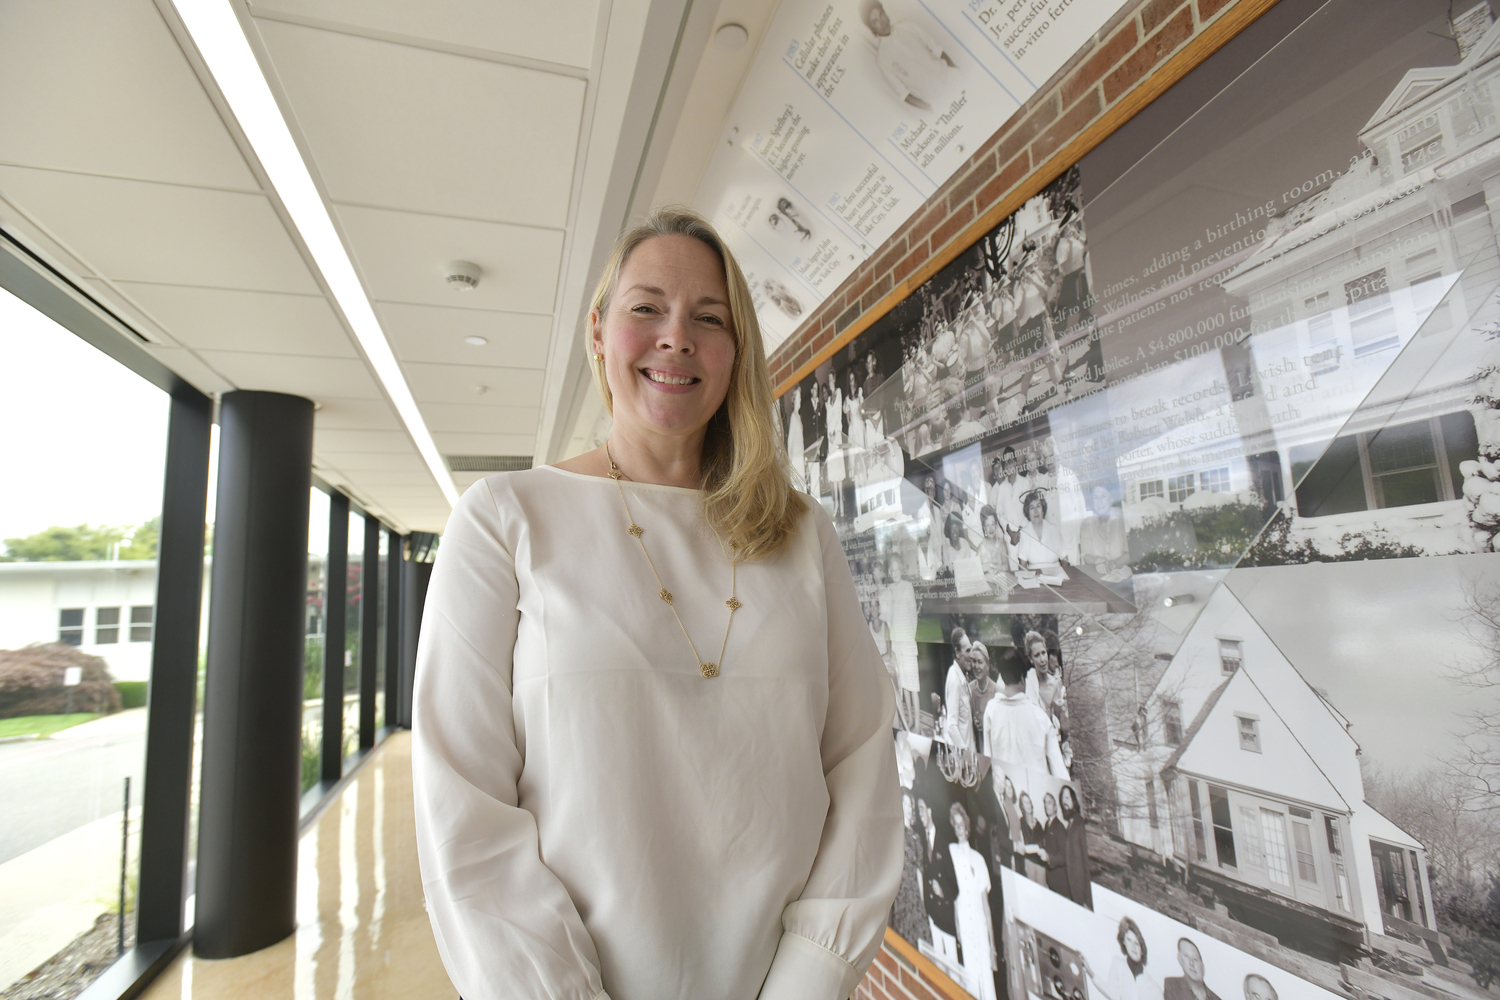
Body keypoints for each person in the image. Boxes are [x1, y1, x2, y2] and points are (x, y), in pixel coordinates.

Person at [412, 207, 903, 1000]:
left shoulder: (802, 534)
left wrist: (808, 982)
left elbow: (861, 769)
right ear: (598, 332)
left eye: (708, 318)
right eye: (647, 309)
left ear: (735, 353)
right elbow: (464, 814)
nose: (677, 336)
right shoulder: (504, 519)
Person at [981, 634, 1067, 776]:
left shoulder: (991, 711)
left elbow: (988, 761)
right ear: (1023, 678)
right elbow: (1060, 771)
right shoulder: (1041, 718)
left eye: (1043, 653)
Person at [860, 2, 958, 112]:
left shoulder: (907, 26)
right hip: (937, 100)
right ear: (872, 28)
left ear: (885, 12)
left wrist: (956, 70)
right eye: (875, 21)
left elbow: (937, 49)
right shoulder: (882, 59)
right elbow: (904, 94)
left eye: (881, 14)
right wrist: (932, 108)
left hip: (952, 78)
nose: (882, 22)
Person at [949, 802, 998, 1000]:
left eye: (963, 824)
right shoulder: (951, 854)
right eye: (956, 824)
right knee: (971, 983)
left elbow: (986, 907)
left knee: (986, 982)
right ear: (953, 826)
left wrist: (993, 946)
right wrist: (958, 928)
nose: (960, 828)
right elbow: (954, 898)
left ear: (968, 827)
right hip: (965, 928)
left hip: (979, 926)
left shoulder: (979, 860)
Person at [1084, 917, 1164, 1000]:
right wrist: (1090, 972)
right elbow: (1111, 993)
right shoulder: (1117, 964)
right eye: (1129, 940)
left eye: (1136, 943)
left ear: (1142, 950)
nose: (1133, 947)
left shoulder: (1154, 988)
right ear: (1124, 942)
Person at [892, 792, 931, 947]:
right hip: (900, 896)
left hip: (914, 896)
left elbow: (919, 871)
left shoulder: (915, 837)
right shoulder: (894, 833)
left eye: (910, 805)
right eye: (905, 804)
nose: (908, 809)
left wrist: (921, 902)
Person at [1011, 490, 1066, 577]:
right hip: (1035, 577)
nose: (1036, 511)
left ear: (1043, 510)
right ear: (1028, 513)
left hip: (1057, 575)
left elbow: (1065, 560)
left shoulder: (1054, 529)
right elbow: (1022, 565)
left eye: (1038, 506)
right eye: (1032, 508)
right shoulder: (1024, 533)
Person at [1079, 484, 1130, 579]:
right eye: (1096, 498)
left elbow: (1130, 552)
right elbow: (1086, 555)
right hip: (1096, 576)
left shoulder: (1123, 518)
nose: (1099, 502)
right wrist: (1098, 561)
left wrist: (1114, 564)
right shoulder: (1087, 523)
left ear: (1111, 499)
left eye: (1103, 496)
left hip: (1122, 576)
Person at [1058, 783, 1093, 908]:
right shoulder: (1071, 824)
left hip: (1081, 894)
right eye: (1062, 799)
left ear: (1073, 800)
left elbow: (1086, 862)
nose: (1064, 802)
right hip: (1075, 891)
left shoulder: (1079, 823)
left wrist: (1088, 900)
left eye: (1067, 798)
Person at [941, 627, 975, 750]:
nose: (971, 655)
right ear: (957, 652)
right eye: (967, 651)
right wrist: (966, 753)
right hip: (964, 759)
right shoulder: (955, 680)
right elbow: (951, 726)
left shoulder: (961, 675)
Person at [1041, 791, 1070, 898]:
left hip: (1061, 881)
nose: (1046, 805)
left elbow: (1064, 857)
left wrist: (1049, 858)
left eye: (1049, 802)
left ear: (1055, 807)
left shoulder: (1059, 827)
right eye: (1045, 802)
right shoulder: (1047, 825)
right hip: (1051, 879)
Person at [1017, 791, 1048, 885]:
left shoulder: (1038, 824)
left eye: (1029, 802)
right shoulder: (1020, 822)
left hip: (1041, 863)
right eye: (1025, 803)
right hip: (1028, 862)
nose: (1028, 805)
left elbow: (1043, 844)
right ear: (1022, 806)